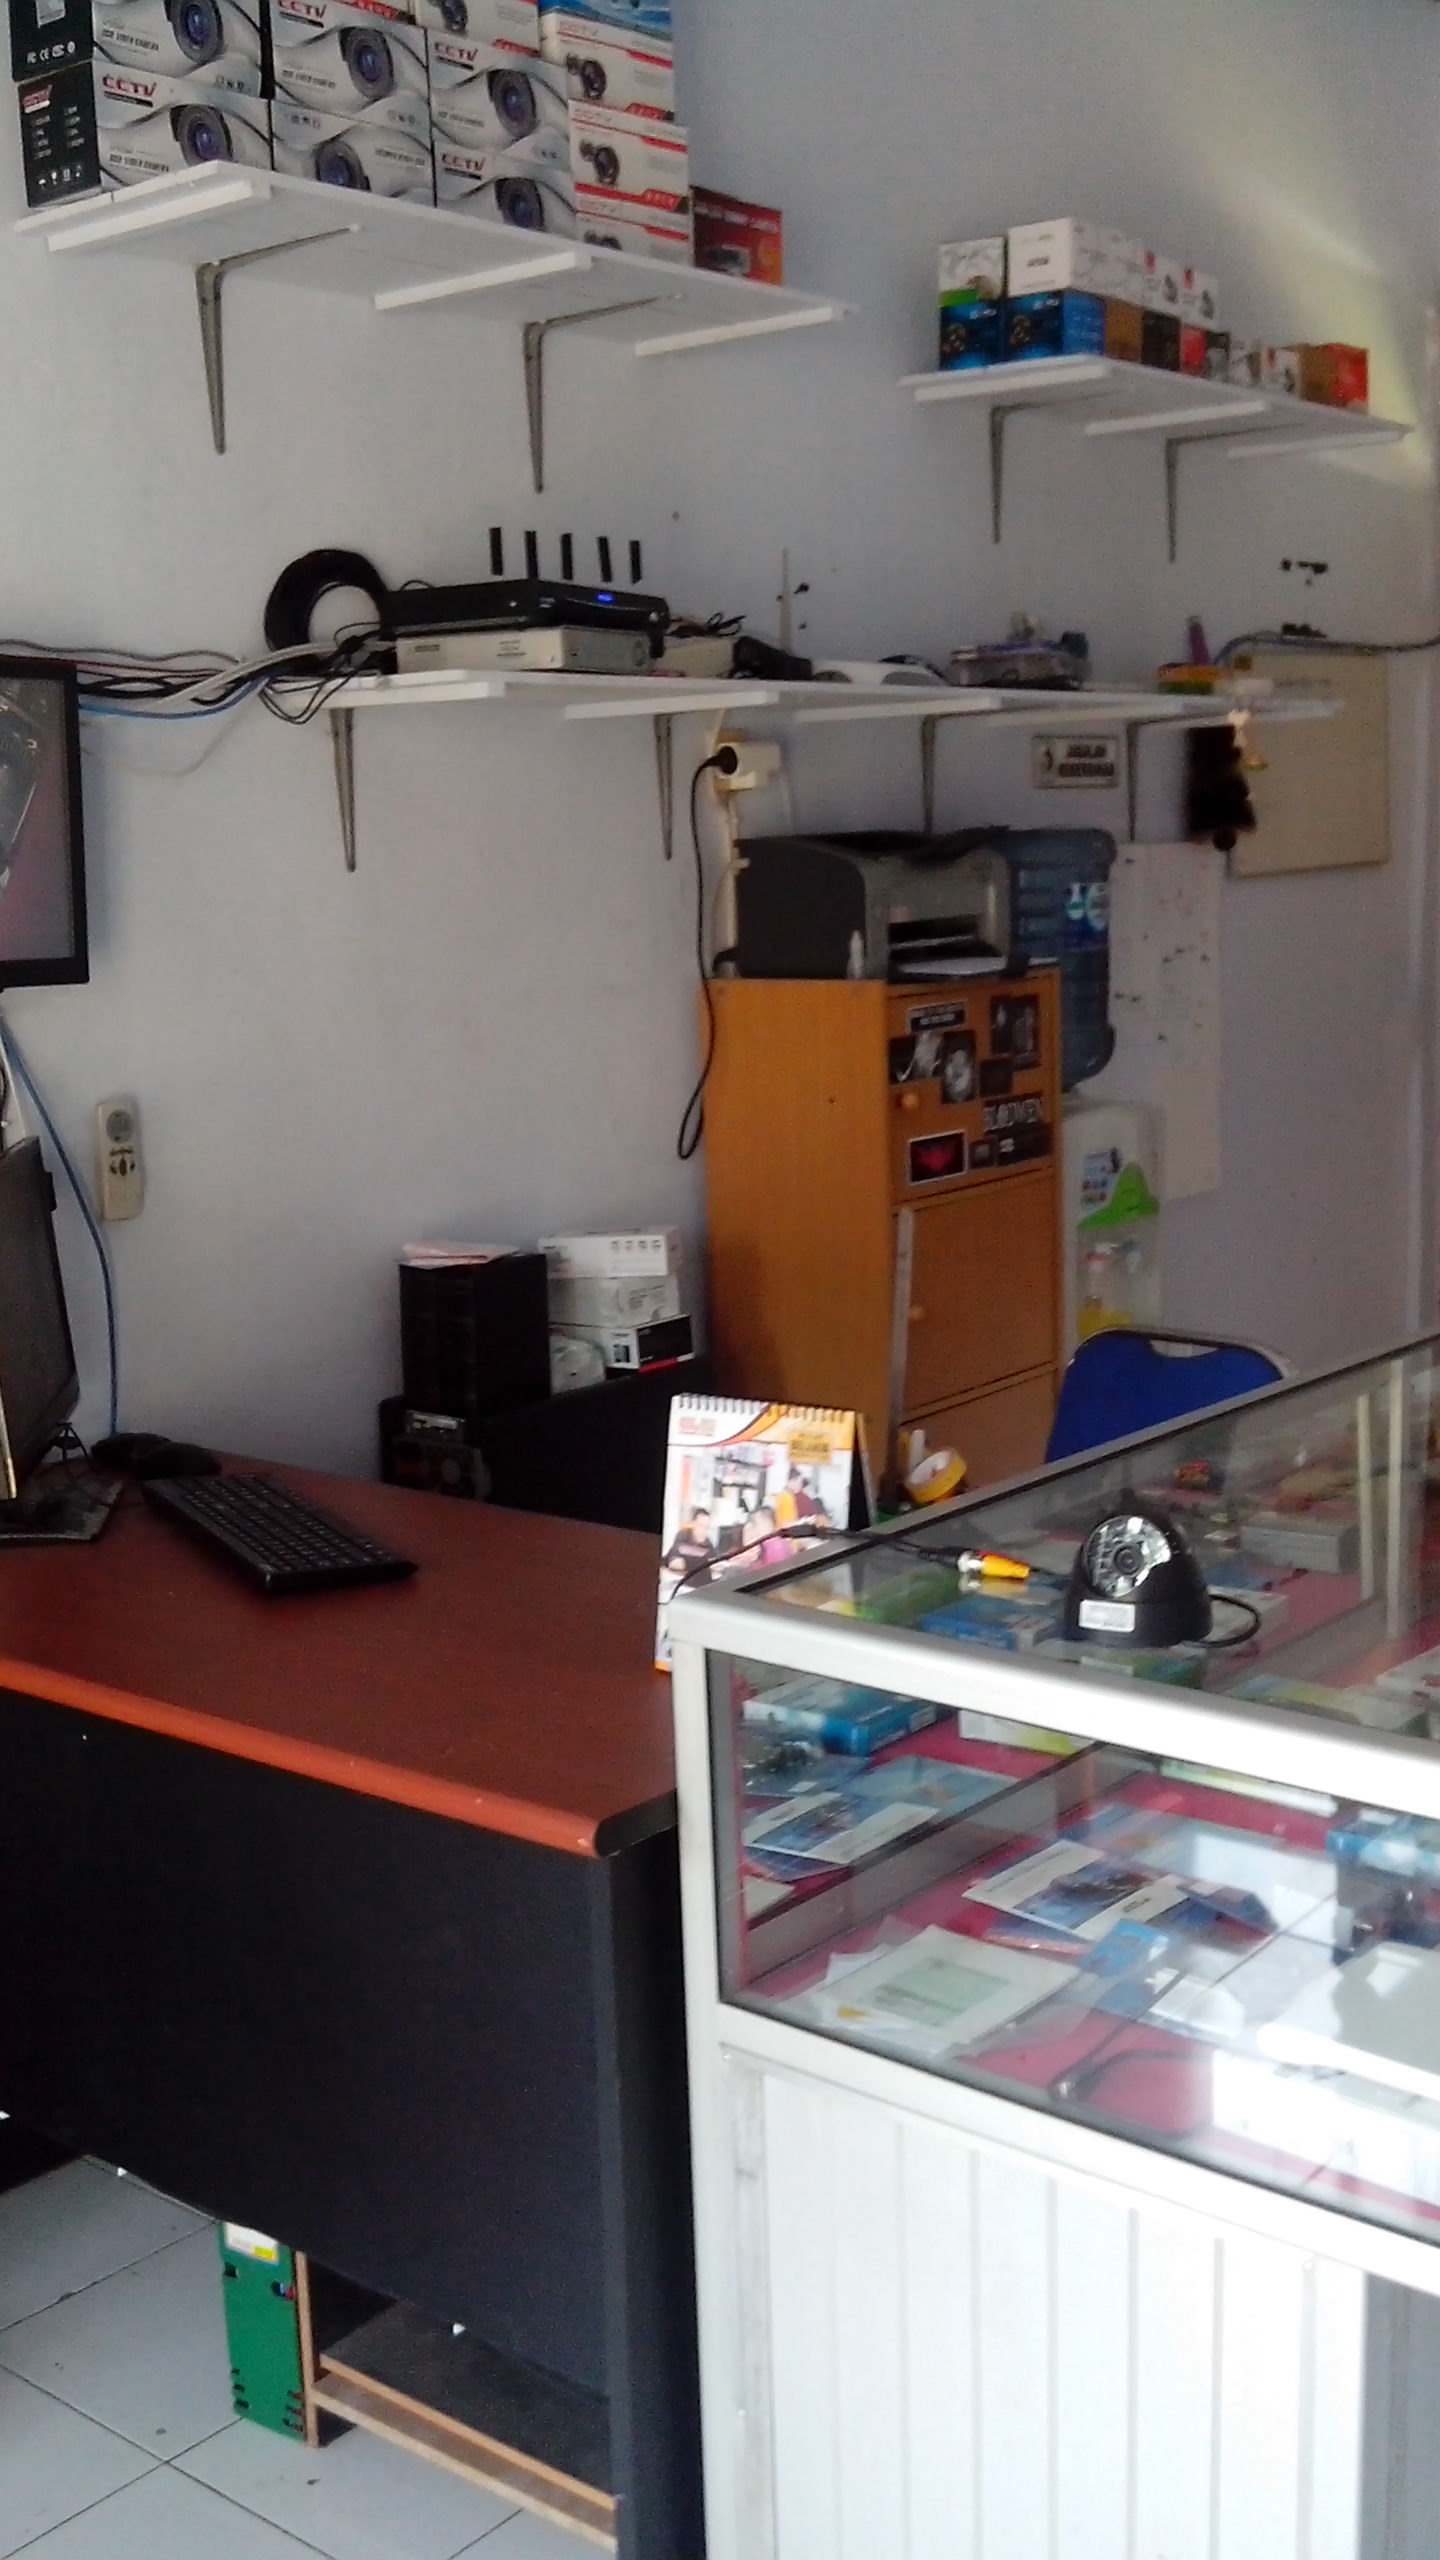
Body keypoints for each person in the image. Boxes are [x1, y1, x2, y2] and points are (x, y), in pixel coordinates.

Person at [663, 1506, 713, 1580]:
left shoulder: (707, 1543)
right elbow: (675, 1562)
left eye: (707, 1527)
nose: (703, 1531)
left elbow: (715, 1561)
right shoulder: (683, 1537)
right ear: (692, 1524)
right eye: (700, 1526)